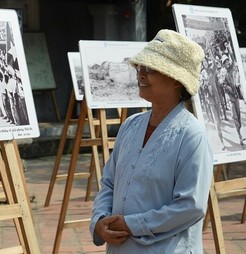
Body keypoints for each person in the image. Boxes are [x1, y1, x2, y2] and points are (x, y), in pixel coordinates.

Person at [90, 29, 214, 253]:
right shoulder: (131, 126)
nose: (141, 74)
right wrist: (100, 222)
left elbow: (191, 206)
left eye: (150, 68)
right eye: (140, 67)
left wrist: (132, 225)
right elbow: (109, 183)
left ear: (176, 80)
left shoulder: (191, 135)